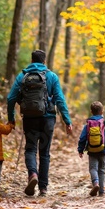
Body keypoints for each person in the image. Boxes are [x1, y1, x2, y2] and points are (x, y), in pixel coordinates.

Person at [7, 49, 73, 196]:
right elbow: (60, 100)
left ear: (32, 61)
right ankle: (43, 188)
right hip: (48, 119)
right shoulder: (51, 76)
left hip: (30, 119)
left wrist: (11, 118)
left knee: (30, 149)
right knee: (45, 153)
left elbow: (11, 98)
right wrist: (67, 120)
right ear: (44, 61)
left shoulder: (23, 76)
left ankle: (33, 175)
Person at [77, 101, 105, 197]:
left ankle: (95, 183)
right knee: (102, 170)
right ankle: (101, 191)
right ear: (102, 111)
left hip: (92, 151)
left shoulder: (87, 125)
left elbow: (82, 138)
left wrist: (80, 150)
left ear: (91, 111)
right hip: (103, 151)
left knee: (93, 168)